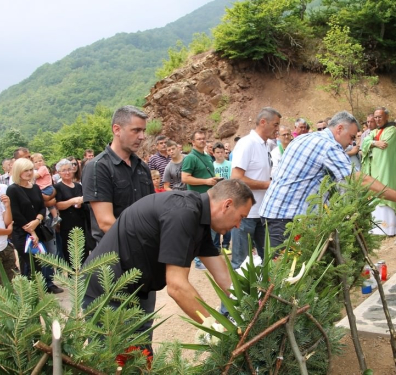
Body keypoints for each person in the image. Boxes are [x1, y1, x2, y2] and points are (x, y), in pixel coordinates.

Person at [83, 179, 255, 326]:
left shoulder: (200, 219)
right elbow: (177, 286)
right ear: (227, 205)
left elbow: (224, 276)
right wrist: (216, 327)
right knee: (118, 360)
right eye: (241, 217)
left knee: (141, 356)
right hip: (106, 289)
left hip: (135, 288)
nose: (239, 225)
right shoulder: (183, 213)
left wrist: (252, 304)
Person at [259, 111, 396, 248]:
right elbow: (358, 180)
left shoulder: (305, 138)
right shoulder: (328, 145)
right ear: (339, 129)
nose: (351, 143)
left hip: (274, 212)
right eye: (351, 137)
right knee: (286, 275)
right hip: (287, 219)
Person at [82, 105, 154, 244]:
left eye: (143, 131)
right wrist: (140, 242)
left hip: (144, 249)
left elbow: (151, 209)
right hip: (114, 253)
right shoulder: (98, 167)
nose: (142, 137)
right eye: (136, 130)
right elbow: (105, 222)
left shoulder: (142, 167)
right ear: (117, 129)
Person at [230, 107, 280, 268]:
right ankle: (238, 293)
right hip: (245, 214)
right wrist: (266, 184)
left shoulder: (266, 145)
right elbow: (236, 177)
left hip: (262, 212)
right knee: (241, 262)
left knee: (268, 260)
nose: (277, 129)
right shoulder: (247, 143)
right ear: (263, 122)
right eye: (275, 124)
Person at [6, 158, 63, 293]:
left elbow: (42, 208)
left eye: (31, 169)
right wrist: (31, 231)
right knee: (30, 264)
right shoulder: (12, 189)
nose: (29, 172)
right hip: (22, 233)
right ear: (18, 171)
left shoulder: (36, 187)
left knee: (39, 263)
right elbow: (16, 213)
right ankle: (30, 294)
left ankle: (39, 291)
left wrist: (38, 220)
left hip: (38, 229)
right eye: (26, 170)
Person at [361, 108, 396, 235]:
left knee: (387, 190)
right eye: (375, 117)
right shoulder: (373, 131)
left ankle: (392, 227)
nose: (377, 119)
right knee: (376, 192)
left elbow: (384, 147)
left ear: (386, 117)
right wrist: (375, 143)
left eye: (380, 117)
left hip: (387, 169)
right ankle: (378, 230)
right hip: (374, 169)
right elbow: (364, 143)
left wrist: (371, 144)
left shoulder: (392, 130)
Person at [182, 130, 220, 270]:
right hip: (197, 199)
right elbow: (185, 178)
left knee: (208, 229)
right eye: (199, 139)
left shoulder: (207, 156)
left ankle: (206, 258)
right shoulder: (190, 158)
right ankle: (198, 260)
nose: (202, 141)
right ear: (192, 141)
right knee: (199, 230)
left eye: (204, 138)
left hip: (209, 197)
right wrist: (206, 181)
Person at [54, 159, 87, 262]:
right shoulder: (58, 187)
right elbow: (58, 205)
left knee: (83, 252)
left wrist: (81, 203)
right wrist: (72, 201)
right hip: (67, 224)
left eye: (69, 169)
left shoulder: (78, 186)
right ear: (59, 173)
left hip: (81, 221)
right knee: (70, 254)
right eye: (64, 170)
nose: (67, 172)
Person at [31, 153, 61, 227]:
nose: (39, 163)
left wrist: (30, 174)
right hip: (45, 188)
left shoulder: (43, 168)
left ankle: (53, 216)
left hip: (46, 188)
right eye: (36, 162)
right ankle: (51, 216)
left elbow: (37, 176)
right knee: (46, 203)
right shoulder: (38, 169)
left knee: (40, 201)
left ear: (43, 161)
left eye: (40, 161)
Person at [213, 142, 232, 254]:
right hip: (217, 195)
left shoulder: (230, 164)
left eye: (222, 152)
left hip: (228, 194)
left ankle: (226, 245)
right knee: (216, 221)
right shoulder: (212, 165)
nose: (220, 154)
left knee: (228, 221)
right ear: (213, 153)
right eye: (218, 152)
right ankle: (216, 246)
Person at [0, 185, 16, 284]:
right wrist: (8, 231)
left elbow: (7, 221)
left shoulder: (2, 190)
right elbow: (9, 228)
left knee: (10, 285)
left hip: (5, 246)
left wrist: (7, 206)